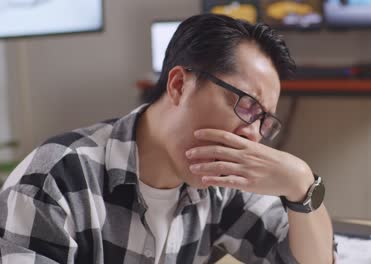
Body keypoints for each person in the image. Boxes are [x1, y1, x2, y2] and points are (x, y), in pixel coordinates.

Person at [0, 14, 335, 264]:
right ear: (179, 85)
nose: (253, 135)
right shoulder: (55, 179)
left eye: (265, 121)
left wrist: (302, 186)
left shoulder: (221, 184)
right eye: (247, 106)